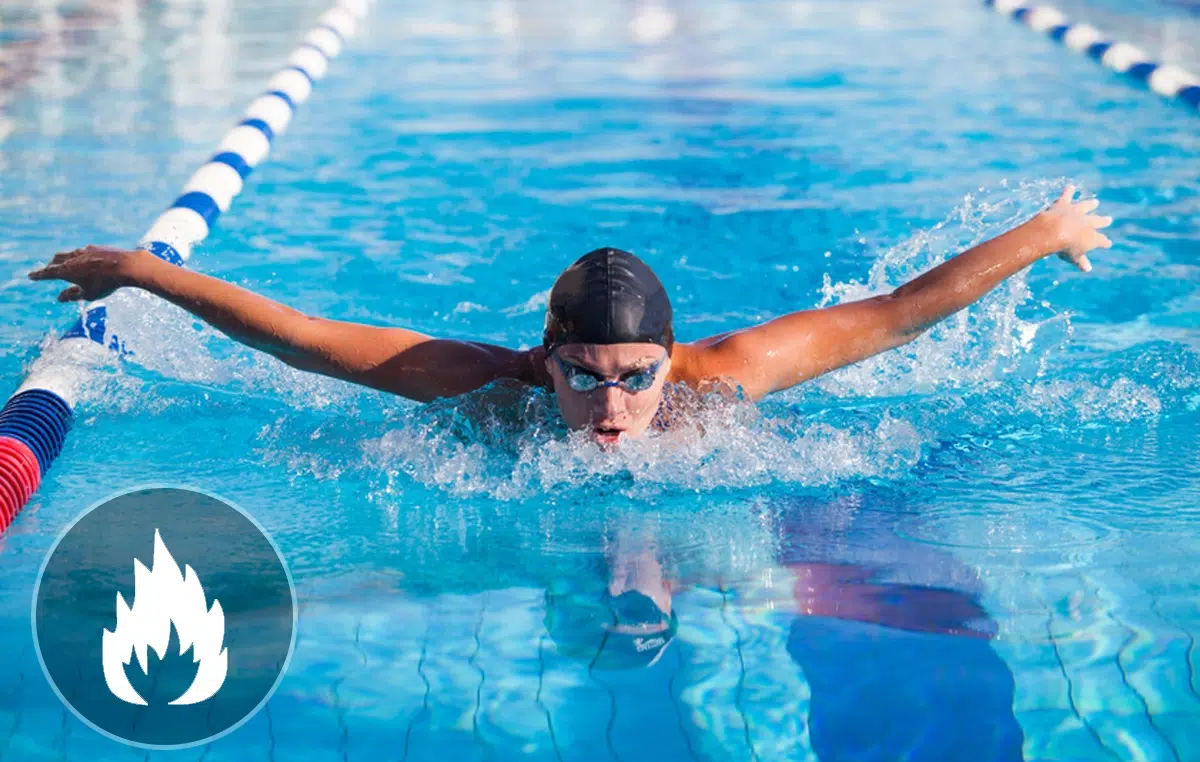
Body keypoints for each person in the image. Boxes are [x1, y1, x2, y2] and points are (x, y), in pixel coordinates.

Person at [29, 186, 1112, 444]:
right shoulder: (481, 386)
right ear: (543, 359)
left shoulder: (716, 380)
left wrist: (1046, 231)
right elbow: (304, 340)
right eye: (585, 373)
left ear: (670, 359)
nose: (610, 402)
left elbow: (896, 314)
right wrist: (145, 270)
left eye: (635, 375)